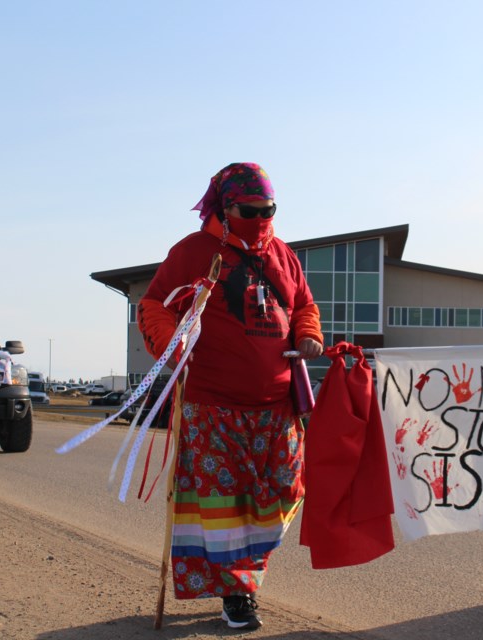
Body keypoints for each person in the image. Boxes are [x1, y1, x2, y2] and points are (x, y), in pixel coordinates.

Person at [137, 162, 323, 629]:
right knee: (226, 503)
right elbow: (153, 304)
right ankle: (236, 591)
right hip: (212, 406)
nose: (261, 218)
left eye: (269, 210)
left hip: (277, 409)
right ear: (225, 206)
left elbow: (303, 303)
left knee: (285, 488)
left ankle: (242, 571)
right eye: (249, 210)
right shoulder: (194, 251)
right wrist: (170, 343)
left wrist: (308, 331)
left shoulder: (282, 254)